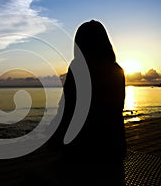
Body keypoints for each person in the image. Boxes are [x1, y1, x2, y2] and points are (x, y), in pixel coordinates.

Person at [48, 20, 127, 185]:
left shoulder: (78, 68)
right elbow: (116, 111)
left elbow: (66, 109)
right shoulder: (117, 70)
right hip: (113, 148)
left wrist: (54, 138)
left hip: (82, 149)